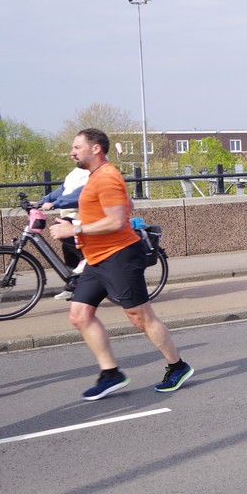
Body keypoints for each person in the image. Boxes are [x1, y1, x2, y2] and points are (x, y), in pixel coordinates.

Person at [47, 129, 193, 400]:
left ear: (96, 149)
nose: (71, 152)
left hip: (120, 257)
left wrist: (74, 229)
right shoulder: (96, 177)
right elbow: (128, 204)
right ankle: (111, 374)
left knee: (140, 318)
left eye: (77, 147)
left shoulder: (107, 177)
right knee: (80, 315)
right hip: (97, 259)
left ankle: (177, 366)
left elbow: (115, 221)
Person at [37, 165, 90, 299]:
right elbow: (63, 189)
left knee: (60, 227)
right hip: (71, 215)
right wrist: (42, 201)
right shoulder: (76, 172)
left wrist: (55, 204)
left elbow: (81, 194)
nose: (72, 155)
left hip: (83, 216)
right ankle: (73, 285)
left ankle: (86, 257)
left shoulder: (93, 170)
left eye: (76, 152)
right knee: (68, 250)